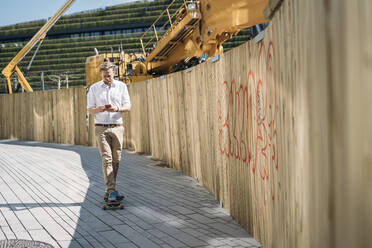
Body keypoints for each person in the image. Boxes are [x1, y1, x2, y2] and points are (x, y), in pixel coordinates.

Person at [87, 59, 131, 202]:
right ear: (101, 74)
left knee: (116, 160)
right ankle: (112, 191)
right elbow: (90, 109)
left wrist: (117, 109)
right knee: (107, 159)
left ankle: (109, 190)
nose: (108, 78)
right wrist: (100, 109)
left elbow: (128, 106)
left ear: (114, 73)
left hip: (118, 127)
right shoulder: (94, 88)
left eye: (110, 75)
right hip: (101, 128)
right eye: (105, 75)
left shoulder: (122, 86)